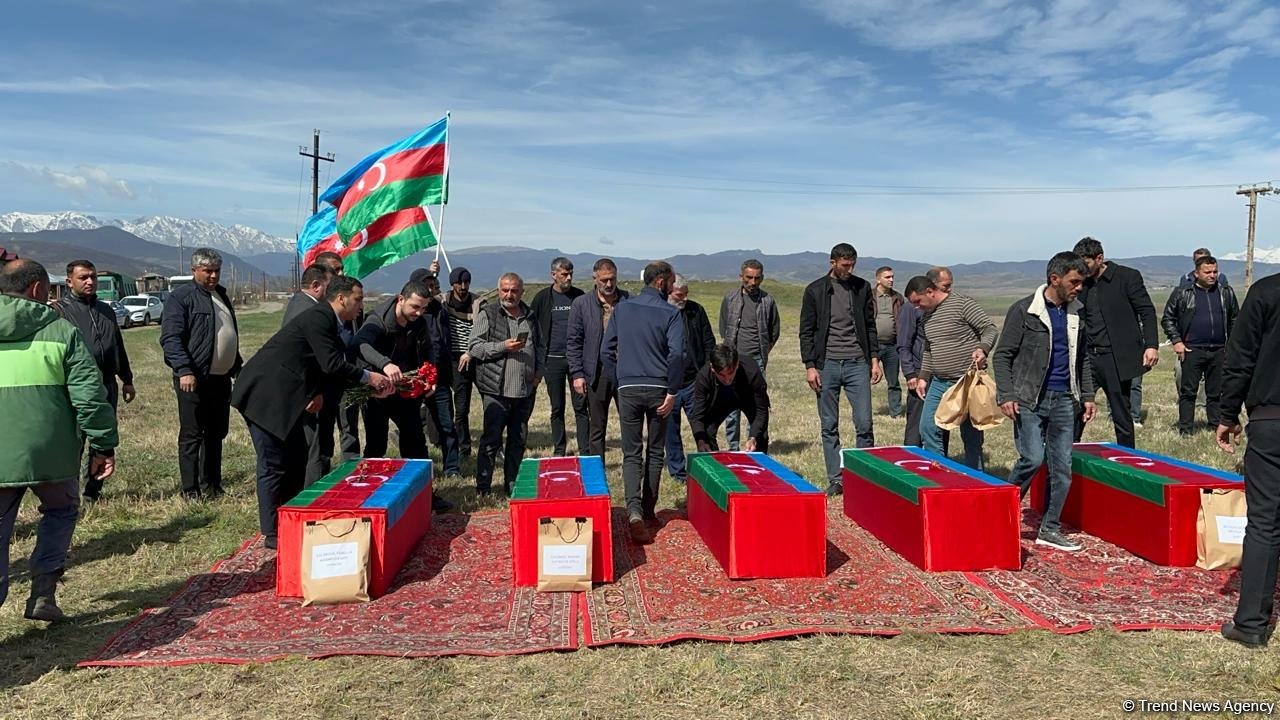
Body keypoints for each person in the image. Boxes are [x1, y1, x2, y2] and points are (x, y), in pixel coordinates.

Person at [231, 276, 392, 549]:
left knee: (296, 459)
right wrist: (369, 378)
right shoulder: (319, 317)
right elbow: (331, 363)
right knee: (273, 463)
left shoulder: (331, 321)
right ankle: (273, 532)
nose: (361, 305)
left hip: (289, 397)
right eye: (358, 299)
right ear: (341, 298)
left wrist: (359, 389)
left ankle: (292, 517)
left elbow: (322, 367)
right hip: (264, 394)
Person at [0, 259, 118, 621]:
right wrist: (102, 445)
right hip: (53, 452)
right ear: (38, 289)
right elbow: (90, 397)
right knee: (61, 510)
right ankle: (43, 593)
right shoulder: (62, 332)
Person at [993, 252, 1098, 552]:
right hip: (1029, 397)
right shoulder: (1024, 310)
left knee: (1062, 468)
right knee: (1032, 458)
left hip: (1065, 399)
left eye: (1081, 282)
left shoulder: (1077, 313)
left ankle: (1049, 528)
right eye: (1074, 282)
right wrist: (1006, 394)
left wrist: (1088, 395)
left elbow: (1082, 359)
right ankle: (999, 514)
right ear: (1055, 279)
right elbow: (1002, 355)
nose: (1079, 288)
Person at [1216, 272, 1280, 648]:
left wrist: (1227, 414)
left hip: (1271, 419)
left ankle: (1252, 623)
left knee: (1264, 522)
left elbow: (1240, 358)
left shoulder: (1266, 291)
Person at [602, 261, 685, 544]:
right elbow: (677, 355)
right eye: (671, 282)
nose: (673, 287)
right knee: (655, 450)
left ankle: (633, 511)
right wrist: (673, 390)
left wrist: (619, 379)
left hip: (629, 387)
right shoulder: (671, 313)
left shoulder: (622, 309)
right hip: (660, 388)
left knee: (631, 452)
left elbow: (606, 350)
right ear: (660, 282)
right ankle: (649, 511)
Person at [355, 280, 455, 512]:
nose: (419, 313)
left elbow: (428, 349)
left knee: (416, 443)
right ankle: (368, 496)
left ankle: (424, 494)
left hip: (405, 391)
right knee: (376, 444)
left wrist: (429, 376)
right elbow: (360, 344)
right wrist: (384, 364)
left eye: (423, 308)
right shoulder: (377, 320)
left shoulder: (419, 322)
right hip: (378, 391)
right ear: (401, 299)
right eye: (415, 307)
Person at [799, 243, 882, 496]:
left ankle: (864, 477)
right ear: (833, 262)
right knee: (829, 425)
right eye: (845, 265)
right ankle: (836, 479)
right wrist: (810, 366)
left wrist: (874, 359)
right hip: (827, 365)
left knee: (864, 422)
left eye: (853, 265)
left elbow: (870, 326)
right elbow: (806, 331)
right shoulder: (815, 290)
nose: (849, 269)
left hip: (857, 362)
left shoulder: (861, 287)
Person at [160, 248, 242, 499]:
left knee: (216, 433)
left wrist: (237, 367)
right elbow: (171, 338)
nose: (213, 276)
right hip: (194, 378)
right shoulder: (181, 297)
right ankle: (190, 489)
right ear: (194, 270)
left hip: (220, 378)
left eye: (217, 270)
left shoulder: (221, 295)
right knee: (192, 434)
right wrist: (184, 369)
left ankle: (212, 485)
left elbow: (226, 334)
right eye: (207, 271)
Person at [53, 259, 135, 502]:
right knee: (74, 442)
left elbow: (117, 346)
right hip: (75, 388)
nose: (90, 281)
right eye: (83, 277)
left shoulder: (106, 310)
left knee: (102, 442)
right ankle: (68, 494)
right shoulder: (59, 312)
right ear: (69, 282)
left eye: (93, 277)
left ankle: (92, 493)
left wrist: (127, 378)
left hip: (107, 384)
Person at [904, 274, 997, 471]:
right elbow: (929, 349)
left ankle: (975, 477)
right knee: (927, 427)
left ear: (930, 292)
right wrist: (923, 377)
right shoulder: (927, 317)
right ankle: (939, 473)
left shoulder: (962, 304)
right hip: (939, 382)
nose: (917, 307)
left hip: (967, 381)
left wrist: (983, 349)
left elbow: (989, 328)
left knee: (971, 435)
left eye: (918, 301)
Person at [1072, 237, 1158, 448]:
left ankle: (1127, 457)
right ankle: (1067, 454)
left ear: (1099, 258)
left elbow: (1146, 311)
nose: (1082, 268)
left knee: (1121, 412)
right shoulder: (1080, 284)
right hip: (1085, 358)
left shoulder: (1127, 277)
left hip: (1114, 357)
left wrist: (1151, 345)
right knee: (1076, 409)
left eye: (1086, 263)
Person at [469, 273, 541, 496]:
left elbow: (540, 346)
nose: (509, 295)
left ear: (522, 292)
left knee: (518, 441)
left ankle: (512, 486)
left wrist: (539, 372)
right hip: (496, 389)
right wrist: (502, 346)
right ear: (499, 290)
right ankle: (483, 488)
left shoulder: (530, 315)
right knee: (491, 441)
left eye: (514, 290)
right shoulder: (488, 314)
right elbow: (474, 347)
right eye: (505, 290)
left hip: (524, 390)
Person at [1161, 255, 1239, 436]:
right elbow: (1168, 319)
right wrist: (1177, 341)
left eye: (1215, 272)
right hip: (1192, 349)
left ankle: (1215, 427)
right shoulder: (1183, 292)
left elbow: (1235, 319)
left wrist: (1232, 344)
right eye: (1208, 272)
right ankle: (1186, 430)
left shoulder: (1226, 292)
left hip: (1219, 349)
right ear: (1196, 273)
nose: (1212, 275)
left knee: (1216, 393)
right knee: (1188, 392)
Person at [281, 263, 340, 485]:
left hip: (311, 390)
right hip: (309, 393)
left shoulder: (301, 302)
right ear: (316, 286)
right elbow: (306, 358)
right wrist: (311, 392)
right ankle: (313, 494)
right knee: (315, 448)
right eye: (330, 286)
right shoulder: (309, 311)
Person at [567, 258, 629, 459]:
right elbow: (574, 341)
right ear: (595, 278)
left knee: (630, 422)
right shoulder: (581, 304)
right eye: (604, 280)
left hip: (625, 370)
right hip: (596, 371)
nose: (609, 284)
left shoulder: (629, 301)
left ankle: (632, 465)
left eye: (612, 279)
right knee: (597, 426)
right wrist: (577, 373)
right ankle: (597, 468)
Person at [719, 259, 780, 450]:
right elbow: (723, 327)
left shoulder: (767, 301)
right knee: (731, 406)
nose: (753, 282)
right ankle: (733, 447)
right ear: (741, 277)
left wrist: (763, 352)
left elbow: (774, 331)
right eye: (749, 277)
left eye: (757, 278)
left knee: (755, 404)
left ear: (762, 278)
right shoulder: (730, 299)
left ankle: (752, 444)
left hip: (756, 360)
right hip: (733, 361)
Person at [529, 257, 587, 456]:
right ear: (553, 275)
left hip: (577, 360)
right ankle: (559, 449)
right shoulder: (542, 298)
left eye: (571, 273)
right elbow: (532, 327)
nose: (568, 278)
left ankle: (585, 449)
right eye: (564, 274)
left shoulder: (579, 296)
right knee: (557, 407)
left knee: (581, 406)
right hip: (552, 360)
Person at [408, 269, 461, 481]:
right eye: (427, 286)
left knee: (447, 424)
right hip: (413, 378)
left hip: (439, 378)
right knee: (413, 428)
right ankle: (417, 470)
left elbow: (444, 343)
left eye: (433, 286)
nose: (431, 290)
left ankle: (452, 467)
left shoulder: (441, 310)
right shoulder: (410, 314)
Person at [665, 275, 717, 483]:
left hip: (693, 380)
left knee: (703, 424)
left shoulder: (696, 311)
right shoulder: (660, 313)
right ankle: (678, 472)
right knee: (671, 429)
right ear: (669, 292)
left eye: (687, 294)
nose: (684, 299)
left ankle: (709, 465)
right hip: (669, 383)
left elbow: (708, 341)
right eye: (680, 295)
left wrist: (706, 371)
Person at [313, 251, 362, 462]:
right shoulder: (316, 309)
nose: (341, 273)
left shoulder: (350, 303)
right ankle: (320, 470)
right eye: (336, 269)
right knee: (322, 432)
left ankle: (351, 469)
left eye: (342, 269)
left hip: (349, 373)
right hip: (325, 378)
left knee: (350, 427)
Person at [691, 344, 770, 454]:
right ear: (712, 368)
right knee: (706, 431)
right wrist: (700, 440)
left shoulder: (752, 370)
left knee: (760, 433)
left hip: (747, 397)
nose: (727, 379)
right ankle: (713, 460)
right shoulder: (704, 377)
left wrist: (753, 437)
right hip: (720, 400)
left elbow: (761, 411)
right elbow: (697, 416)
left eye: (730, 373)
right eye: (722, 375)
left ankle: (759, 461)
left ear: (737, 364)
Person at [440, 267, 485, 459]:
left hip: (477, 358)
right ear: (452, 284)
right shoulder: (443, 302)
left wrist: (471, 351)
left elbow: (482, 331)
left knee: (490, 402)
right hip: (455, 361)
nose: (463, 286)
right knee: (461, 407)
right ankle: (464, 447)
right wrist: (432, 272)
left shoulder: (478, 303)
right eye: (459, 283)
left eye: (466, 282)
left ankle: (493, 443)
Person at [872, 265, 905, 418]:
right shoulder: (869, 296)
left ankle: (896, 412)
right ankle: (864, 412)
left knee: (893, 381)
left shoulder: (897, 298)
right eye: (887, 277)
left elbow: (902, 320)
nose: (891, 280)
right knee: (863, 380)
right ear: (878, 279)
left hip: (892, 345)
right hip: (872, 345)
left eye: (892, 277)